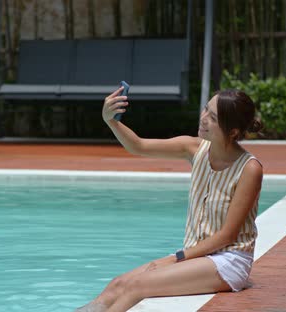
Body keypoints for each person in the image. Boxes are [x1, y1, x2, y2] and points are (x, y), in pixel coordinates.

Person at [76, 89, 264, 312]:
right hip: (198, 254)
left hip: (228, 261)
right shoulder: (194, 148)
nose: (203, 118)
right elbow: (138, 145)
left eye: (213, 118)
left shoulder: (249, 169)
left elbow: (227, 236)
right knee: (118, 284)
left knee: (137, 286)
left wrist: (176, 258)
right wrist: (111, 121)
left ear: (232, 131)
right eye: (206, 109)